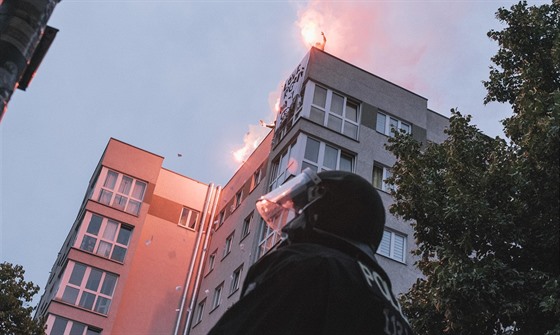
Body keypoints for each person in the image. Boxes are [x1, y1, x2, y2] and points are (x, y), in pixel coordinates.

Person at [208, 168, 414, 335]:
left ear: (325, 212)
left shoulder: (310, 264)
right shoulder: (393, 309)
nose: (289, 227)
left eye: (300, 212)